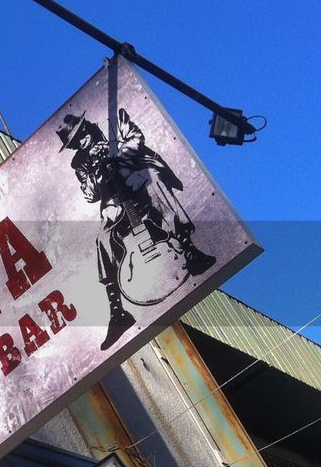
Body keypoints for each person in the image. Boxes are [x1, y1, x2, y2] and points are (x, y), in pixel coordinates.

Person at [57, 107, 215, 350]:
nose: (81, 142)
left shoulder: (112, 120)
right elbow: (90, 195)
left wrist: (115, 155)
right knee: (102, 238)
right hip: (117, 202)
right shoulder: (79, 163)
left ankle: (191, 250)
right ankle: (117, 311)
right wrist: (97, 170)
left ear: (86, 126)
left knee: (153, 180)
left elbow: (136, 138)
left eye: (82, 135)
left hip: (138, 177)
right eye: (75, 143)